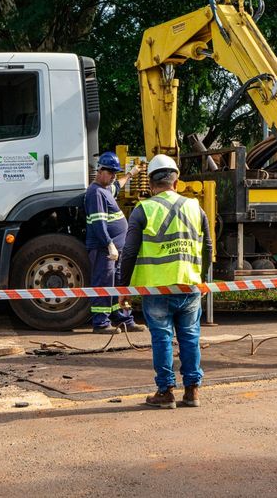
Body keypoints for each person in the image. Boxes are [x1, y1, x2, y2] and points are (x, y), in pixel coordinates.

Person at [120, 154, 212, 409]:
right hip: (189, 285)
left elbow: (128, 253)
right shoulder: (195, 207)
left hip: (157, 288)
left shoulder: (143, 210)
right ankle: (192, 391)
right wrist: (201, 278)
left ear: (151, 184)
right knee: (190, 337)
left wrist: (123, 288)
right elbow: (207, 246)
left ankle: (165, 391)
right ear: (177, 181)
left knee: (162, 338)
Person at [85, 151, 146, 334]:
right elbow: (98, 223)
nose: (113, 176)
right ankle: (101, 324)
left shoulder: (106, 189)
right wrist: (109, 244)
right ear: (100, 171)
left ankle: (124, 319)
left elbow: (117, 186)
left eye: (115, 172)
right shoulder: (95, 193)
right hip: (104, 250)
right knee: (103, 285)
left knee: (119, 285)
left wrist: (130, 174)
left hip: (116, 251)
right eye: (110, 172)